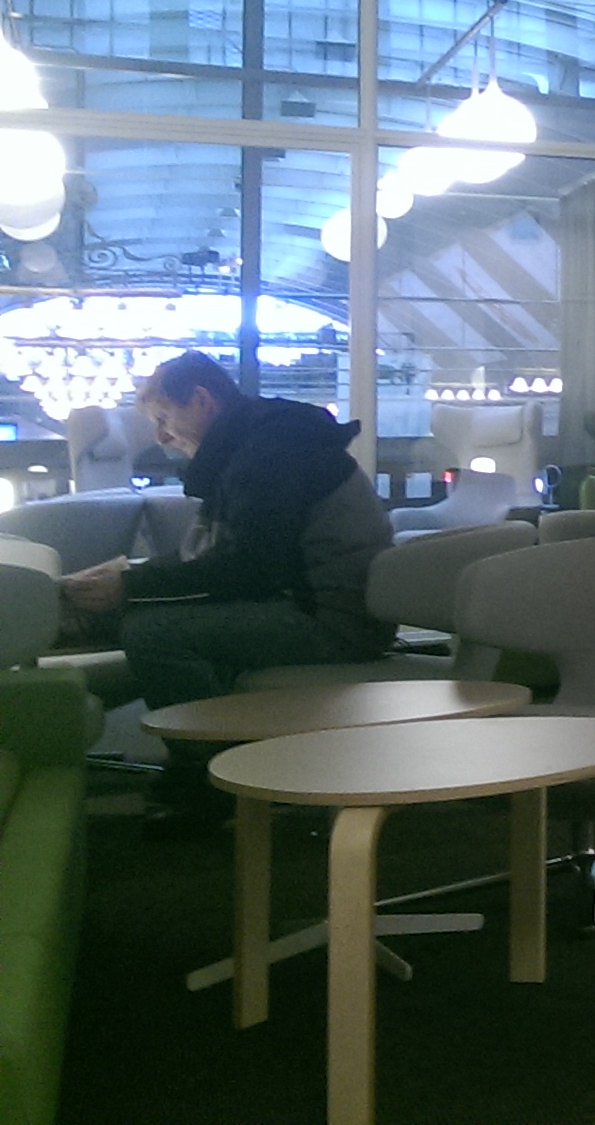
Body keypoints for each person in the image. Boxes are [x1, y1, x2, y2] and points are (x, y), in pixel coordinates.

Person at [60, 351, 394, 829]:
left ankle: (219, 782)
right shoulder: (257, 444)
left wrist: (132, 584)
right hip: (306, 602)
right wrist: (129, 578)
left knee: (153, 634)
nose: (161, 437)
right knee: (136, 614)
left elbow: (248, 570)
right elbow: (224, 559)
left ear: (201, 400)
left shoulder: (270, 455)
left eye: (164, 418)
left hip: (330, 620)